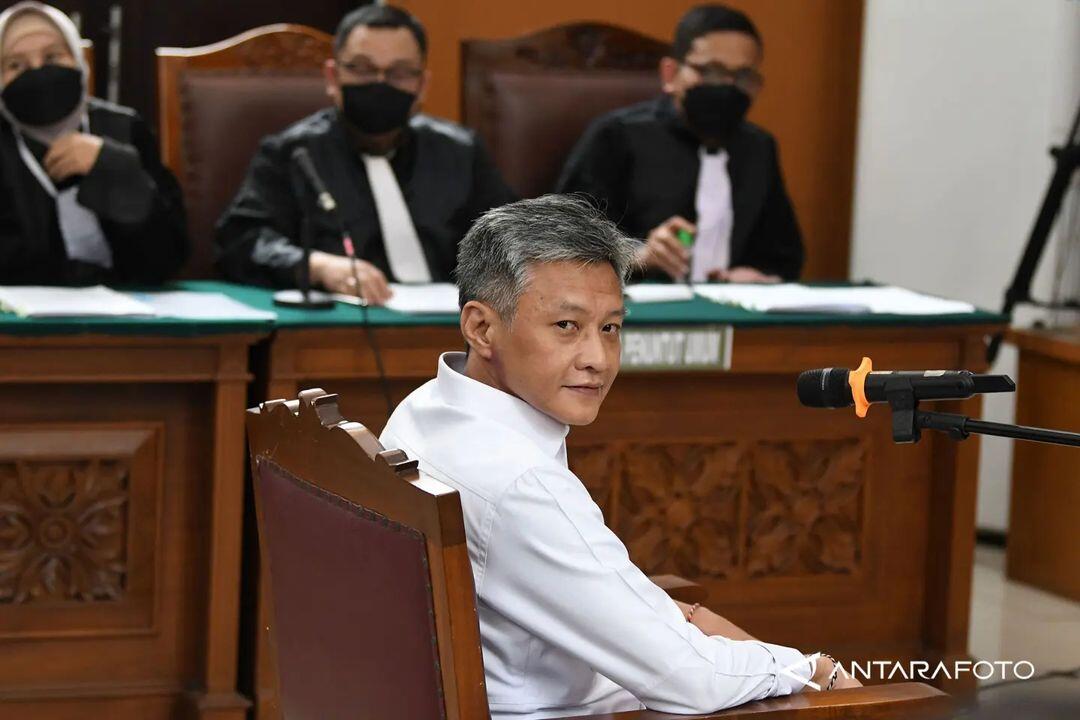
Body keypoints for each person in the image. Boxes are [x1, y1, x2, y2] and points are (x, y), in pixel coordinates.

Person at [380, 195, 858, 719]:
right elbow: (690, 681)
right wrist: (810, 669)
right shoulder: (522, 483)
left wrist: (676, 619)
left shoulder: (425, 405)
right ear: (481, 327)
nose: (598, 359)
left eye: (610, 327)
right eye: (566, 326)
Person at [216, 4, 514, 305]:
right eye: (362, 68)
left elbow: (511, 239)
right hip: (333, 334)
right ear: (333, 77)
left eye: (398, 73)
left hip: (452, 329)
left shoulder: (461, 152)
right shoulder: (293, 152)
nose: (379, 84)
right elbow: (241, 242)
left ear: (422, 85)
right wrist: (318, 267)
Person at [557, 4, 803, 284]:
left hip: (732, 312)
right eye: (711, 72)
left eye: (743, 77)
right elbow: (563, 242)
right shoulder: (617, 136)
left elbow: (784, 256)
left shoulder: (759, 148)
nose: (727, 87)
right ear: (670, 74)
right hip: (631, 313)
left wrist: (761, 277)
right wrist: (638, 255)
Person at [0, 1, 187, 287]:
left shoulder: (124, 129)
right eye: (15, 65)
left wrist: (113, 168)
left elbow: (168, 258)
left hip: (132, 315)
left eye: (52, 57)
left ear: (77, 61)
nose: (37, 72)